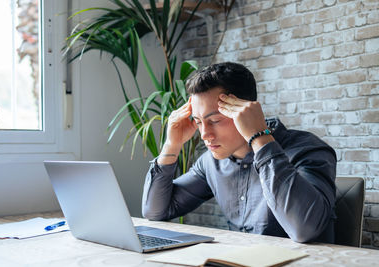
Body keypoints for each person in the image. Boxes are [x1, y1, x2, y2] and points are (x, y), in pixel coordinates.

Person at [142, 62, 337, 243]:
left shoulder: (307, 149)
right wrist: (171, 144)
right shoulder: (210, 162)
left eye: (215, 120)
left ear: (244, 110)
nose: (204, 134)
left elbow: (304, 229)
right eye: (198, 122)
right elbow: (155, 211)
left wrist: (260, 138)